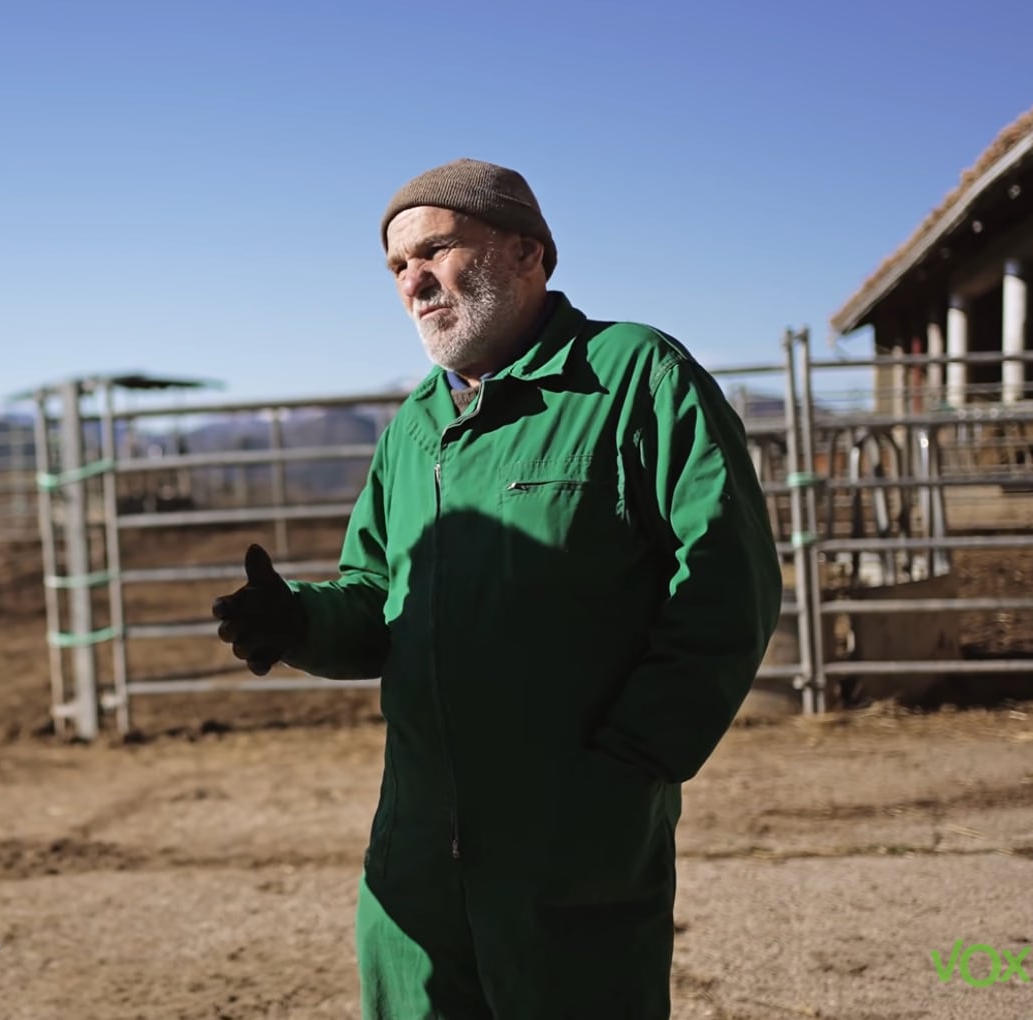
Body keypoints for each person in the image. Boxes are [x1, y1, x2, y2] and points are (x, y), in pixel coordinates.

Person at [211, 158, 782, 1018]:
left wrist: (633, 765)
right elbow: (376, 596)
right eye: (398, 267)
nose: (415, 282)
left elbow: (727, 583)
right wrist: (297, 620)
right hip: (417, 851)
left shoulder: (634, 378)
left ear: (528, 254)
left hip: (571, 840)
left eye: (436, 250)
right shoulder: (414, 429)